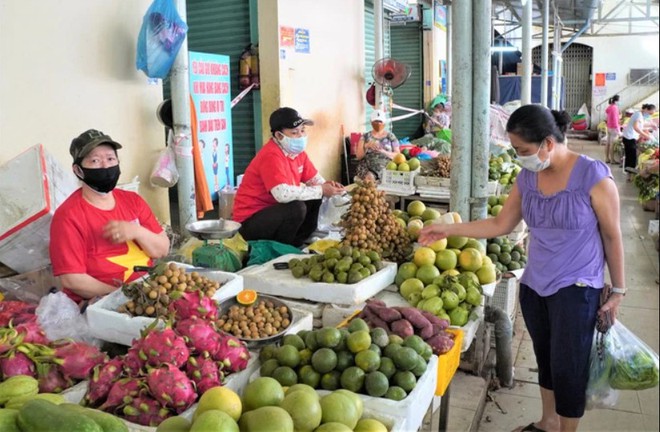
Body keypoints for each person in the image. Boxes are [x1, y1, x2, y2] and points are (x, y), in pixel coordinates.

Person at [419, 105, 625, 432]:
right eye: (515, 150)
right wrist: (447, 229)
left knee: (568, 368)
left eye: (523, 150)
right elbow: (501, 223)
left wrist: (618, 290)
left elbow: (613, 237)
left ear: (547, 142)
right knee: (546, 358)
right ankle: (547, 422)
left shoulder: (593, 176)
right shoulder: (527, 177)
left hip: (577, 288)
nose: (520, 157)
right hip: (535, 286)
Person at [49, 129, 170, 305]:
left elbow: (162, 249)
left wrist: (137, 232)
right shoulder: (68, 216)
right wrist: (123, 294)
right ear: (78, 170)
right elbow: (72, 280)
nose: (105, 166)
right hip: (98, 303)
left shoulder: (133, 201)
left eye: (110, 159)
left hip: (148, 293)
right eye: (95, 161)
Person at [232, 107, 345, 247]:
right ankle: (282, 248)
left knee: (316, 196)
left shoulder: (298, 154)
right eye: (294, 132)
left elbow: (316, 181)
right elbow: (282, 194)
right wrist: (321, 189)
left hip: (275, 213)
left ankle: (297, 243)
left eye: (302, 130)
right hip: (250, 222)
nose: (301, 136)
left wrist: (334, 189)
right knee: (296, 208)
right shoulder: (271, 155)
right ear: (279, 136)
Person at [355, 110, 400, 181]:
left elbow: (397, 155)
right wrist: (367, 145)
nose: (378, 124)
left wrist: (383, 151)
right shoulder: (365, 137)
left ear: (384, 123)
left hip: (387, 169)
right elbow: (359, 156)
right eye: (375, 121)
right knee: (369, 180)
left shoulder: (391, 136)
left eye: (380, 121)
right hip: (368, 168)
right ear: (371, 122)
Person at [621, 104, 656, 181]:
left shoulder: (640, 115)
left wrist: (651, 126)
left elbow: (641, 126)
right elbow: (636, 127)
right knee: (632, 157)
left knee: (631, 156)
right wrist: (646, 135)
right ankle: (629, 175)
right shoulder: (638, 115)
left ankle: (629, 174)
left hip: (629, 138)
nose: (649, 115)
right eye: (650, 113)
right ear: (646, 109)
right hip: (629, 138)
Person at [604, 95, 620, 164]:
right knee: (612, 144)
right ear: (616, 101)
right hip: (614, 127)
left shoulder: (609, 107)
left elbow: (607, 118)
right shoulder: (615, 108)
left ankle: (607, 158)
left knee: (607, 143)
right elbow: (615, 119)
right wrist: (618, 129)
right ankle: (612, 160)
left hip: (609, 126)